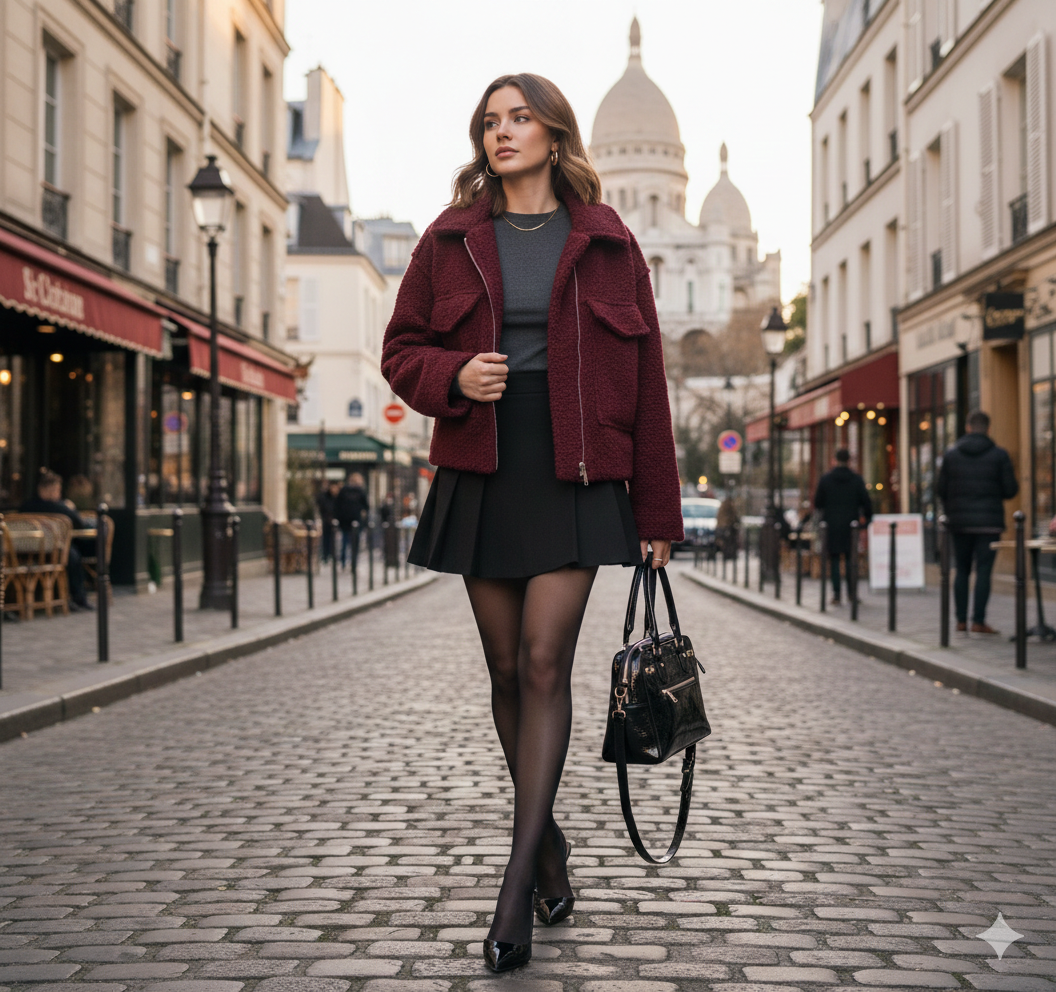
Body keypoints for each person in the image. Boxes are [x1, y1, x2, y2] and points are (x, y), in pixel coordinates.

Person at [381, 73, 682, 973]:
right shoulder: (447, 239)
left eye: (520, 119)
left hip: (578, 467)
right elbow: (400, 349)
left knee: (547, 661)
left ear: (556, 135)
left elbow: (650, 383)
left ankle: (516, 888)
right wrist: (452, 379)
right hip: (485, 462)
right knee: (507, 671)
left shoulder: (608, 242)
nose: (502, 132)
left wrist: (657, 512)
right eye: (490, 120)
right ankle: (549, 851)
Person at [936, 409, 1018, 634]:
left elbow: (940, 489)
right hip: (989, 523)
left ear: (967, 427)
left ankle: (961, 620)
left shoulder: (951, 455)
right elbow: (1010, 489)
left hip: (960, 522)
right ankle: (978, 620)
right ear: (988, 429)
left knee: (961, 570)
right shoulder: (999, 455)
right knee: (983, 571)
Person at [19, 470, 92, 610]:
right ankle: (78, 597)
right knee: (73, 554)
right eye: (56, 490)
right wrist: (69, 507)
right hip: (52, 552)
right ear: (46, 490)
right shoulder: (59, 508)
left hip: (23, 555)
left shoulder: (26, 507)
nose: (58, 493)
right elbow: (79, 522)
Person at [813, 449, 872, 606]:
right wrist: (866, 522)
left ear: (834, 459)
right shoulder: (856, 479)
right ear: (849, 460)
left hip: (831, 525)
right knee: (851, 559)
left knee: (834, 560)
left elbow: (818, 502)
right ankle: (852, 594)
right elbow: (867, 503)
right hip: (851, 525)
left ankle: (836, 594)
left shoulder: (826, 479)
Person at [334, 473, 369, 572]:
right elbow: (366, 506)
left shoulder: (343, 491)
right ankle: (353, 563)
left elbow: (337, 505)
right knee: (354, 544)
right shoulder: (360, 491)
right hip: (356, 521)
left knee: (344, 542)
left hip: (344, 521)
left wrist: (338, 518)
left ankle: (343, 562)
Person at [316, 480, 340, 563]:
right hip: (326, 520)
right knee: (326, 538)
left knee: (334, 539)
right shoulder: (324, 496)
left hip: (334, 520)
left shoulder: (337, 497)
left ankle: (332, 555)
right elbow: (322, 506)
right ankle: (326, 555)